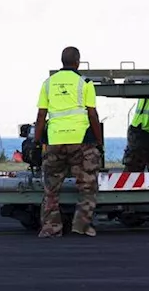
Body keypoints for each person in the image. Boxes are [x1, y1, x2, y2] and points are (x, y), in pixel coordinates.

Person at [35, 46, 102, 238]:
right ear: (78, 61)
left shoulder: (48, 84)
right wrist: (98, 141)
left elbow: (41, 115)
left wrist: (38, 141)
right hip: (80, 142)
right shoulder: (85, 83)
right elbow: (92, 114)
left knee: (51, 189)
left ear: (61, 61)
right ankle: (81, 226)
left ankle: (51, 228)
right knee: (88, 186)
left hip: (55, 141)